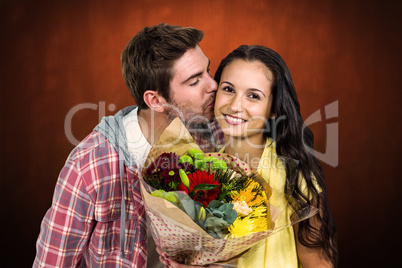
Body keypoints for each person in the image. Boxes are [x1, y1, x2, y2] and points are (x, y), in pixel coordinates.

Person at [33, 23, 220, 268]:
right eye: (195, 81)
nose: (213, 85)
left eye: (208, 71)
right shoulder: (90, 166)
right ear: (155, 100)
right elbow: (52, 263)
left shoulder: (212, 138)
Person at [159, 45, 338, 267]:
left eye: (253, 96)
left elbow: (318, 262)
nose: (235, 105)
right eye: (228, 89)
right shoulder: (201, 175)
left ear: (273, 109)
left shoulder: (292, 173)